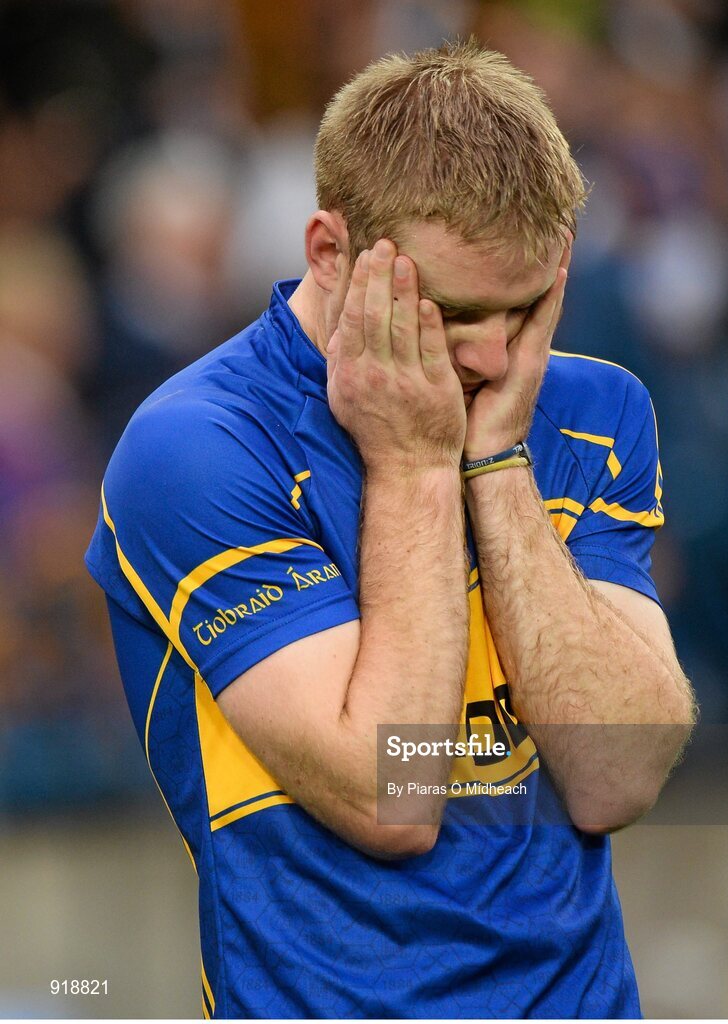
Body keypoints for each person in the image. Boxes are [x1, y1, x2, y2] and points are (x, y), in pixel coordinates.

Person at [85, 41, 695, 1019]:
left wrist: (494, 461)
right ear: (328, 251)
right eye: (452, 311)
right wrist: (414, 466)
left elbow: (615, 774)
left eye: (527, 305)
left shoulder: (589, 409)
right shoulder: (198, 447)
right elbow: (391, 796)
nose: (496, 356)